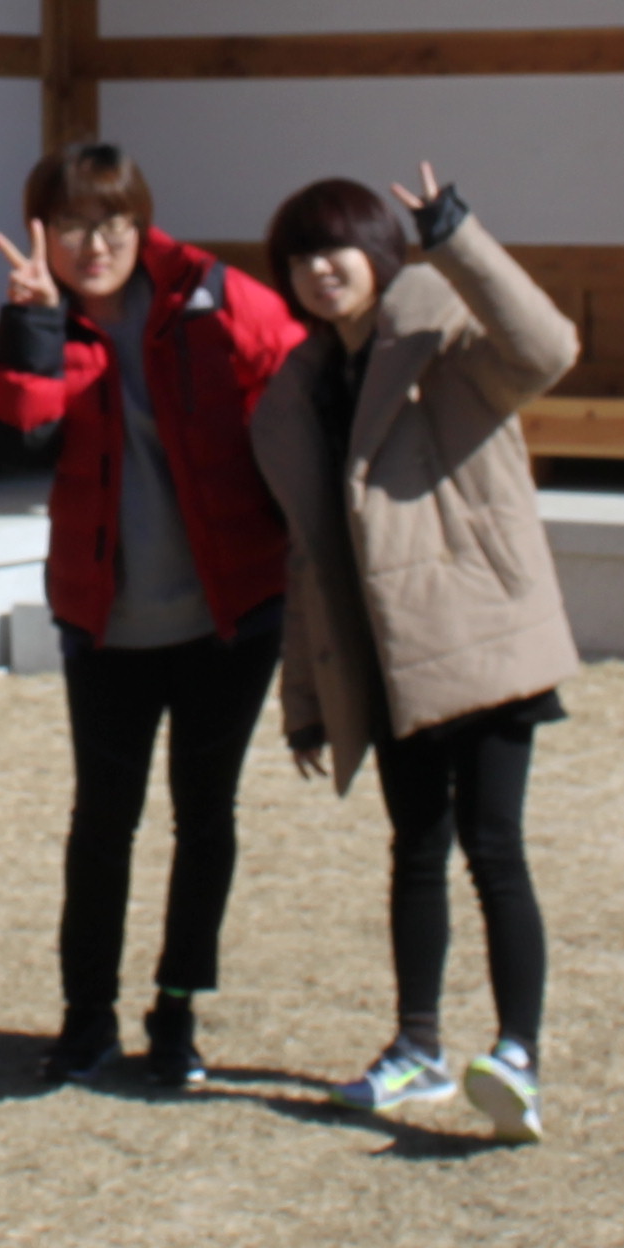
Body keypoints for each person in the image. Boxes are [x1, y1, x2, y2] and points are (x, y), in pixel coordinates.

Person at [0, 139, 305, 1092]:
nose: (94, 244)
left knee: (206, 816)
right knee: (102, 821)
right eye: (71, 225)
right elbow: (13, 436)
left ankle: (177, 1012)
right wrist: (32, 325)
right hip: (105, 619)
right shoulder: (39, 320)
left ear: (139, 221)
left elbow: (300, 386)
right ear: (42, 234)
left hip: (231, 611)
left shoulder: (212, 296)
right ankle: (87, 1018)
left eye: (112, 221)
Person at [251, 169, 583, 1145]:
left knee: (494, 848)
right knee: (415, 853)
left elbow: (548, 349)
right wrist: (307, 697)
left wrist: (457, 233)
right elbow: (311, 556)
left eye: (336, 248)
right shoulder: (308, 384)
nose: (320, 269)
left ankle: (517, 1056)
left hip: (481, 639)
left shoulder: (448, 335)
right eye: (299, 257)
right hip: (386, 656)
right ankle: (418, 1047)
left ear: (378, 250)